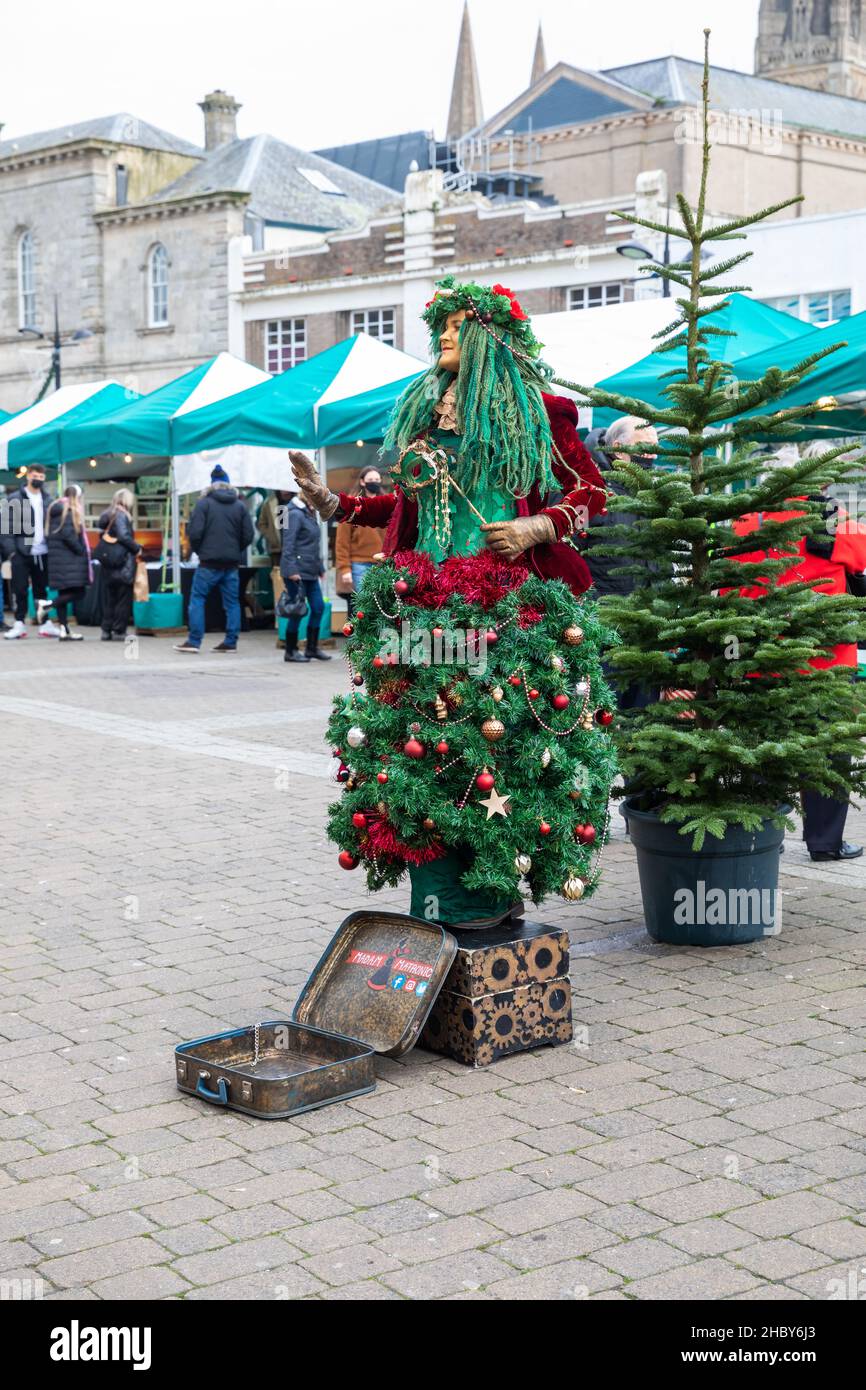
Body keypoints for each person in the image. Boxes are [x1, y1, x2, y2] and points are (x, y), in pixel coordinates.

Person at [289, 275, 615, 928]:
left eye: (455, 324)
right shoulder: (426, 415)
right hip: (424, 605)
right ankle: (445, 907)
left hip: (509, 610)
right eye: (438, 325)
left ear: (491, 336)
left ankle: (484, 902)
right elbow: (406, 503)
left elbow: (592, 491)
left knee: (500, 754)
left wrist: (537, 526)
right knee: (424, 746)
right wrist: (335, 504)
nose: (441, 335)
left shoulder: (540, 412)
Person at [734, 472, 866, 863]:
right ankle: (825, 843)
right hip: (824, 660)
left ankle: (760, 834)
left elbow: (728, 586)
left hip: (763, 658)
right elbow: (861, 553)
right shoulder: (827, 517)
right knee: (828, 753)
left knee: (761, 750)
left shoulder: (747, 519)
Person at [175, 464, 254, 654]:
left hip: (208, 563)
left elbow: (194, 533)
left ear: (211, 484)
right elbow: (248, 535)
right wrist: (235, 550)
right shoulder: (240, 505)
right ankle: (231, 642)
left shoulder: (204, 504)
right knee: (233, 603)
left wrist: (201, 551)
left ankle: (194, 641)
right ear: (228, 484)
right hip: (231, 564)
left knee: (197, 599)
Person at [3, 464, 61, 639]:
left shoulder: (48, 500)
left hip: (43, 551)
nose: (38, 480)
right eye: (35, 476)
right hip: (22, 550)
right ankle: (19, 622)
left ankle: (45, 623)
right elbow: (6, 528)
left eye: (42, 478)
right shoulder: (15, 498)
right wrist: (12, 552)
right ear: (28, 476)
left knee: (42, 590)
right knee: (19, 589)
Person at [280, 492, 330, 663]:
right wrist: (292, 570)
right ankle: (290, 651)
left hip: (310, 571)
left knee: (318, 607)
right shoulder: (293, 513)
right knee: (297, 611)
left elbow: (312, 545)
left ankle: (311, 648)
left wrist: (320, 567)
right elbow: (288, 544)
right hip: (297, 573)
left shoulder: (309, 513)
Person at [335, 467, 385, 618]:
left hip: (382, 564)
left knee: (381, 607)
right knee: (363, 606)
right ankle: (360, 641)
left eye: (377, 480)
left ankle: (376, 641)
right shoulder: (351, 506)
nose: (374, 483)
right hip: (359, 564)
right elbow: (342, 542)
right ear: (362, 482)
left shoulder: (386, 505)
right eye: (370, 480)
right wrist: (345, 569)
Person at [46, 484, 91, 641]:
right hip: (69, 560)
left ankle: (64, 630)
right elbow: (69, 535)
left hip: (59, 560)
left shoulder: (56, 508)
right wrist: (81, 550)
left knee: (64, 596)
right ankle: (48, 604)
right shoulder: (67, 510)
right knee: (80, 592)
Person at [96, 488, 141, 641]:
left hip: (109, 564)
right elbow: (124, 536)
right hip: (122, 564)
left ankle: (106, 630)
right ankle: (119, 630)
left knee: (110, 599)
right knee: (123, 599)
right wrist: (137, 548)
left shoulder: (108, 515)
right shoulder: (121, 515)